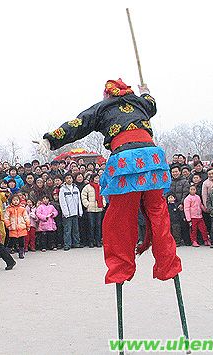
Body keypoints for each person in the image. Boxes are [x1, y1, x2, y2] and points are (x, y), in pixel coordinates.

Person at [37, 78, 181, 283]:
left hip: (126, 161)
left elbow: (77, 124)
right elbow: (152, 104)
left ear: (106, 94)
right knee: (158, 213)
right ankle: (169, 264)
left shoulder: (102, 107)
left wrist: (51, 139)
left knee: (121, 217)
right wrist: (146, 91)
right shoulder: (140, 102)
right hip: (152, 158)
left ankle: (121, 269)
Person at [58, 174, 83, 251]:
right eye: (67, 178)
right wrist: (66, 213)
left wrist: (80, 211)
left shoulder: (76, 188)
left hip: (75, 212)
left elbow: (79, 200)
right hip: (67, 213)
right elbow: (62, 202)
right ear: (65, 180)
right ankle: (67, 244)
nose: (69, 179)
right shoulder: (62, 189)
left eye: (70, 178)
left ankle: (76, 243)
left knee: (75, 229)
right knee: (67, 230)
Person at [81, 174, 106, 247]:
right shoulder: (87, 187)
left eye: (98, 178)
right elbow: (83, 196)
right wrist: (87, 204)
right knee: (91, 226)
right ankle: (91, 242)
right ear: (92, 179)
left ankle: (98, 241)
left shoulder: (100, 187)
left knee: (98, 226)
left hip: (99, 208)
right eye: (96, 178)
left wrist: (103, 204)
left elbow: (103, 196)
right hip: (90, 209)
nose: (97, 179)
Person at [4, 194, 30, 259]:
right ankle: (7, 252)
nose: (15, 201)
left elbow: (26, 217)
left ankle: (21, 252)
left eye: (17, 200)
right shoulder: (9, 209)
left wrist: (28, 225)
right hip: (13, 227)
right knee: (11, 241)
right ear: (11, 201)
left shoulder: (22, 209)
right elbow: (6, 218)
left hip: (21, 227)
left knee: (21, 241)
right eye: (14, 200)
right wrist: (8, 225)